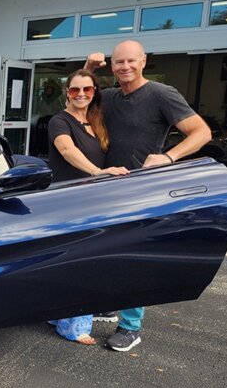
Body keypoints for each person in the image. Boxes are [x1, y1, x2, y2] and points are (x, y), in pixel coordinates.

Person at [85, 40, 212, 352]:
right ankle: (109, 303)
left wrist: (168, 157)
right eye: (118, 62)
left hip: (141, 190)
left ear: (144, 61)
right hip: (108, 187)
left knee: (132, 258)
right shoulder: (110, 97)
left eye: (131, 61)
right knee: (105, 250)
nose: (125, 67)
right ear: (112, 66)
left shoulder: (161, 94)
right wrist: (88, 70)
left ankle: (130, 327)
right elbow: (78, 99)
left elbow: (201, 133)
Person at [46, 69, 129, 345]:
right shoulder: (59, 121)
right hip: (68, 202)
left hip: (91, 202)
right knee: (78, 262)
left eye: (87, 90)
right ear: (66, 93)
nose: (81, 94)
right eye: (74, 90)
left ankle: (58, 314)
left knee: (77, 261)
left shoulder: (96, 121)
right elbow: (68, 151)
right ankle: (73, 327)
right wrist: (97, 172)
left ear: (95, 92)